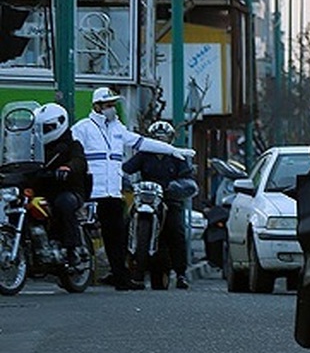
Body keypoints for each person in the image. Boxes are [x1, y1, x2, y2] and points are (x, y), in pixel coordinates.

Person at [72, 87, 195, 291]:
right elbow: (74, 154)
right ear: (97, 106)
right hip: (91, 192)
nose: (112, 109)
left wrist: (172, 150)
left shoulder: (117, 129)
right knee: (84, 232)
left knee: (119, 236)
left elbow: (142, 142)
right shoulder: (82, 128)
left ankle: (121, 277)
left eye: (113, 104)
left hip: (113, 193)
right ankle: (80, 271)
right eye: (108, 105)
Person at [122, 120, 198, 289]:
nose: (160, 142)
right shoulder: (143, 154)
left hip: (169, 200)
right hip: (143, 199)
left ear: (170, 139)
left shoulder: (177, 156)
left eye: (164, 139)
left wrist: (177, 187)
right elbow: (126, 169)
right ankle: (121, 268)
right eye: (157, 139)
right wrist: (123, 180)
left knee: (176, 230)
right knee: (124, 226)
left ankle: (181, 273)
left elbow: (188, 179)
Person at [29, 103, 90, 265]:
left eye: (46, 128)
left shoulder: (72, 145)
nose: (42, 132)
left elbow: (79, 161)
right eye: (39, 128)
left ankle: (71, 249)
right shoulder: (33, 147)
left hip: (67, 189)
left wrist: (68, 168)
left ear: (59, 124)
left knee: (64, 203)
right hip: (39, 189)